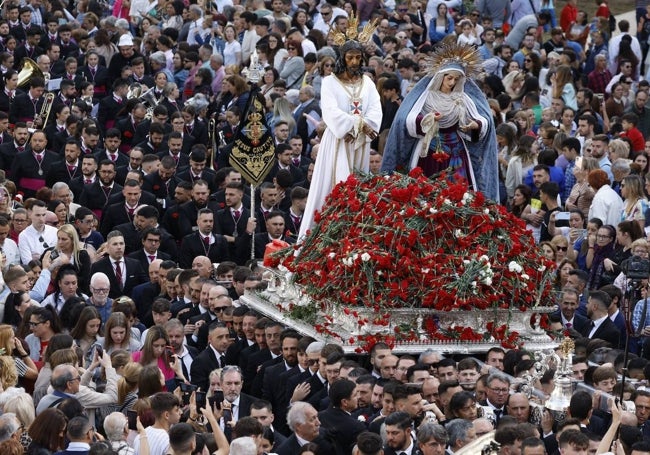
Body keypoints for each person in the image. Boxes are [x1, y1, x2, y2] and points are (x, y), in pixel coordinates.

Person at [383, 42, 499, 202]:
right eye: (449, 78)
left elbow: (482, 119)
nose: (452, 82)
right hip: (429, 149)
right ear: (441, 76)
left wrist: (475, 125)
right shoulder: (426, 96)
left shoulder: (461, 98)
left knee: (459, 192)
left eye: (456, 79)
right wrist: (427, 119)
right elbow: (406, 119)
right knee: (426, 192)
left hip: (455, 150)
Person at [296, 33, 382, 240]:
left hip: (359, 143)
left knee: (358, 186)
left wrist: (364, 126)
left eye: (357, 57)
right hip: (338, 141)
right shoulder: (329, 83)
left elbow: (375, 109)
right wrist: (357, 125)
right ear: (342, 58)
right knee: (333, 185)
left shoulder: (368, 83)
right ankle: (325, 236)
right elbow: (331, 112)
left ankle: (354, 234)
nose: (354, 62)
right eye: (349, 57)